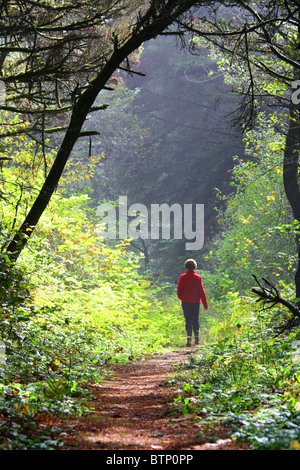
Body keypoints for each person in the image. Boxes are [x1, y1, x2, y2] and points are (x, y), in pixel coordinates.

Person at [177, 258, 208, 347]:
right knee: (195, 320)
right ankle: (197, 339)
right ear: (195, 267)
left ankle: (189, 339)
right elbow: (202, 291)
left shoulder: (183, 277)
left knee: (188, 320)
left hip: (185, 302)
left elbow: (179, 290)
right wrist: (205, 304)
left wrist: (182, 298)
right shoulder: (198, 278)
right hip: (195, 302)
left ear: (186, 267)